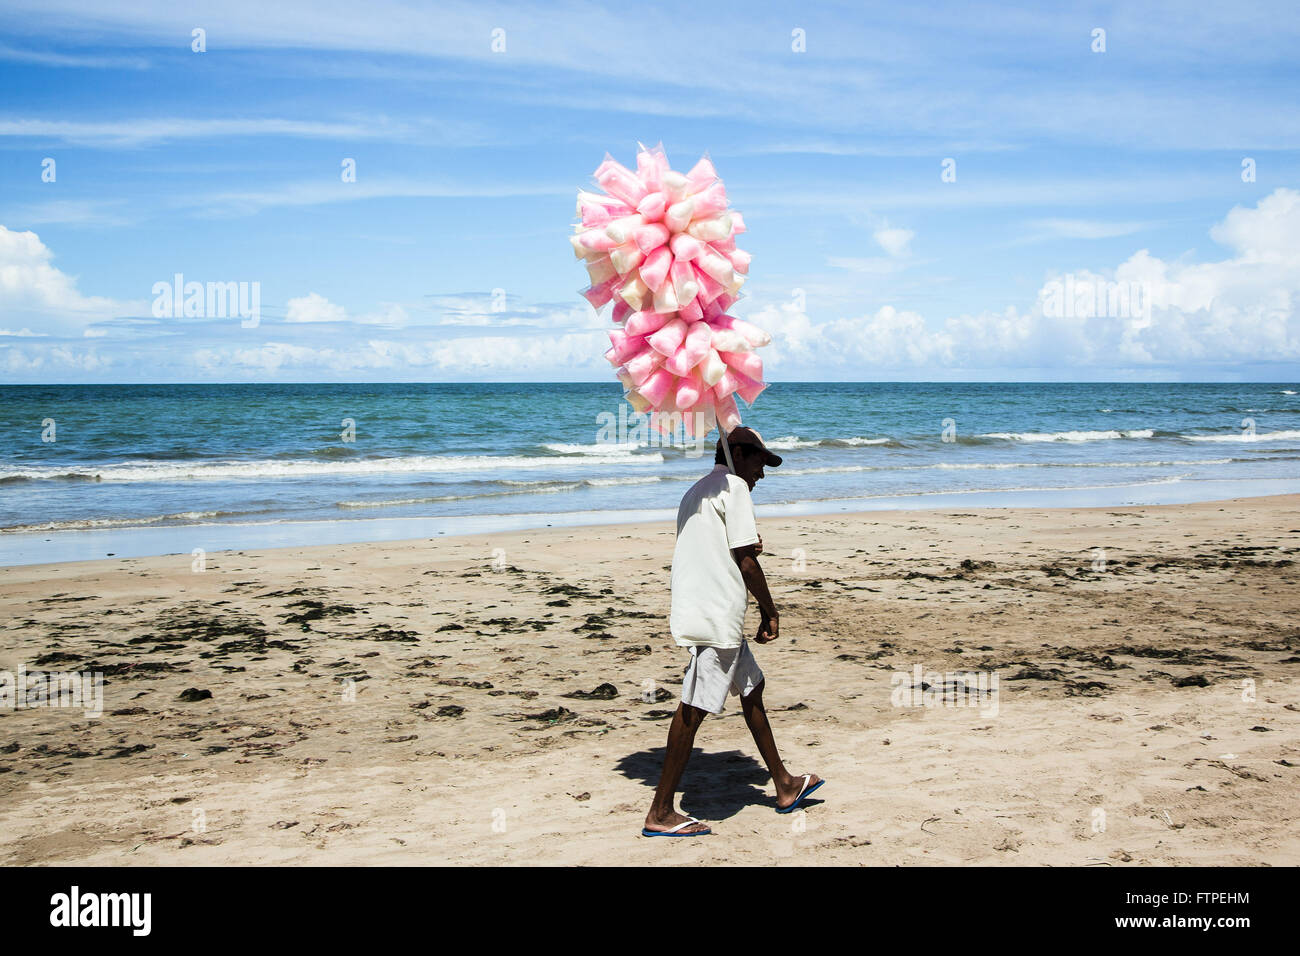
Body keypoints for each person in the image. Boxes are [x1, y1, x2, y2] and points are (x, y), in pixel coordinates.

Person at [642, 426, 824, 837]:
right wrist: (770, 609)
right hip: (717, 615)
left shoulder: (697, 491)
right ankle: (660, 812)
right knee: (693, 709)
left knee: (751, 689)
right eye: (761, 460)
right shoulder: (734, 488)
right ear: (738, 453)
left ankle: (784, 784)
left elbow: (712, 547)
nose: (763, 471)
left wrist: (745, 546)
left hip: (702, 608)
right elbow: (744, 562)